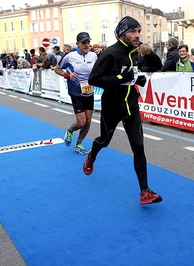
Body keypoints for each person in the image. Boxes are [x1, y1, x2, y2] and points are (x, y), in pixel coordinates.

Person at [85, 16, 162, 205]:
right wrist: (121, 77)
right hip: (112, 106)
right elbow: (94, 79)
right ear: (122, 33)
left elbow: (129, 74)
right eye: (132, 32)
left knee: (138, 146)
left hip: (131, 105)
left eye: (138, 31)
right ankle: (91, 155)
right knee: (104, 140)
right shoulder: (110, 53)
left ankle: (145, 192)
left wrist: (136, 80)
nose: (137, 35)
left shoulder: (135, 51)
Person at [55, 32, 98, 155]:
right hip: (75, 92)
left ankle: (79, 143)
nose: (86, 45)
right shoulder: (70, 56)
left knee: (88, 121)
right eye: (83, 42)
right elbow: (57, 69)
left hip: (89, 92)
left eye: (88, 42)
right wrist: (68, 75)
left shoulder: (93, 56)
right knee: (81, 122)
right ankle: (70, 130)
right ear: (77, 44)